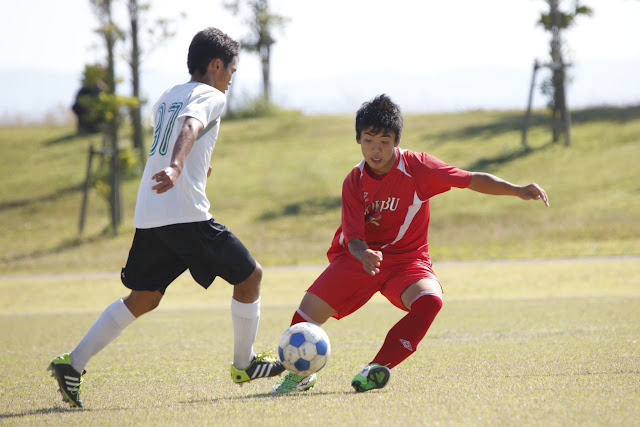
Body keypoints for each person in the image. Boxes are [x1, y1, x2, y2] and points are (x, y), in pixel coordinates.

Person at [49, 27, 284, 409]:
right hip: (184, 213)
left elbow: (177, 134)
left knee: (143, 297)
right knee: (250, 276)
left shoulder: (167, 96)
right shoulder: (210, 95)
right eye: (231, 70)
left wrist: (188, 168)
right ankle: (245, 364)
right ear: (216, 64)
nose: (231, 78)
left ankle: (72, 364)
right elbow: (191, 126)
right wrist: (178, 168)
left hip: (152, 212)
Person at [272, 94, 549, 394]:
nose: (376, 150)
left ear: (397, 141)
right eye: (368, 141)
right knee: (305, 316)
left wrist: (517, 190)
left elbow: (471, 179)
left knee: (430, 300)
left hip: (407, 261)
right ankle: (298, 374)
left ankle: (377, 368)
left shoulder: (419, 167)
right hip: (358, 259)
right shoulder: (354, 181)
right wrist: (364, 254)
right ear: (358, 140)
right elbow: (352, 238)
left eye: (385, 142)